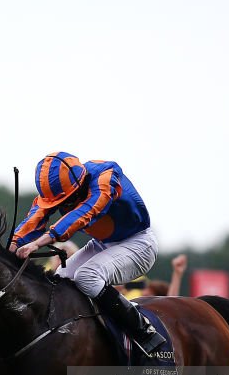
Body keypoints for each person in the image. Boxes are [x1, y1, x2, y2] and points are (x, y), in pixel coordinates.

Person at [9, 152, 164, 355]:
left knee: (87, 276)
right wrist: (10, 247)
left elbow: (82, 215)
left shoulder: (106, 177)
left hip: (139, 244)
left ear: (79, 184)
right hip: (102, 244)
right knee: (59, 281)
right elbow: (34, 218)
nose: (62, 207)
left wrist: (37, 244)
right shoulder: (60, 189)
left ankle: (144, 332)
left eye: (66, 201)